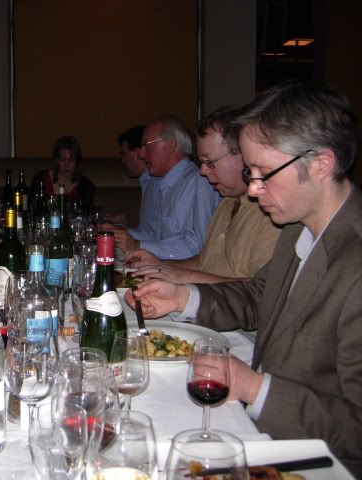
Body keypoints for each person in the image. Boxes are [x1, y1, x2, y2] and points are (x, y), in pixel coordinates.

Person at [128, 81, 362, 476]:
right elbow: (257, 296)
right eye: (250, 172)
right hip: (270, 433)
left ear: (321, 163)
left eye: (264, 173)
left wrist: (255, 388)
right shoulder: (298, 228)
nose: (252, 189)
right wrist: (182, 297)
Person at [125, 107, 281, 284]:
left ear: (244, 155)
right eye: (201, 162)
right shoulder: (227, 202)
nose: (203, 171)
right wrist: (161, 265)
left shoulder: (270, 212)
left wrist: (183, 277)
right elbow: (205, 260)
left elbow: (261, 290)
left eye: (210, 162)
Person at [110, 115, 221, 259]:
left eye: (147, 145)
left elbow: (201, 248)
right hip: (163, 266)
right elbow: (154, 237)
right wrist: (116, 233)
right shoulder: (161, 183)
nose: (142, 154)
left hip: (184, 270)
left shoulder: (200, 181)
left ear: (171, 144)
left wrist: (138, 245)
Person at [31, 135, 96, 211]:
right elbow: (31, 208)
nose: (66, 164)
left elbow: (85, 214)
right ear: (57, 161)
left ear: (77, 162)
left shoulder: (86, 187)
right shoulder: (40, 180)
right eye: (62, 159)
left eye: (71, 160)